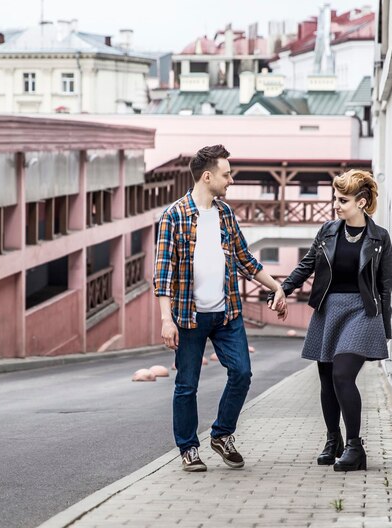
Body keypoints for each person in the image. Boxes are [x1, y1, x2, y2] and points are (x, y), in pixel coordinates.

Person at [153, 144, 286, 472]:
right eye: (227, 175)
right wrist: (165, 320)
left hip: (227, 313)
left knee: (242, 372)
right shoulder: (174, 216)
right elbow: (163, 275)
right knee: (187, 385)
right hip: (189, 317)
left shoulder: (225, 213)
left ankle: (222, 434)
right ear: (207, 176)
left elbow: (245, 259)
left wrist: (277, 286)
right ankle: (188, 449)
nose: (231, 180)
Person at [269, 169, 392, 471]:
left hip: (363, 312)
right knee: (326, 379)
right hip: (328, 309)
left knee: (342, 375)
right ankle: (333, 439)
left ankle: (355, 447)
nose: (336, 205)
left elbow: (385, 286)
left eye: (343, 200)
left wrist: (384, 328)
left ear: (362, 202)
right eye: (335, 198)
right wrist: (282, 290)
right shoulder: (327, 231)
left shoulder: (379, 238)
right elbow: (306, 266)